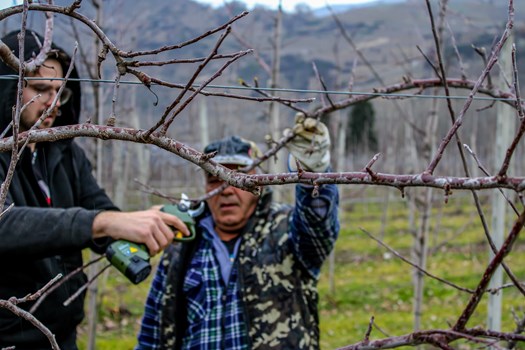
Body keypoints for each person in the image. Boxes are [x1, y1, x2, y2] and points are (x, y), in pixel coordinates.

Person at [0, 29, 190, 349]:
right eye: (41, 90)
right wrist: (101, 223)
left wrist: (142, 223)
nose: (54, 104)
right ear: (7, 88)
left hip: (61, 336)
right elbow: (7, 224)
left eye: (61, 92)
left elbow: (100, 209)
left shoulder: (64, 153)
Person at [136, 114, 340, 349]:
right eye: (215, 179)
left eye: (239, 177)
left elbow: (318, 229)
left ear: (259, 183)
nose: (226, 190)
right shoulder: (181, 241)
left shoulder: (285, 228)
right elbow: (153, 332)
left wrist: (314, 173)